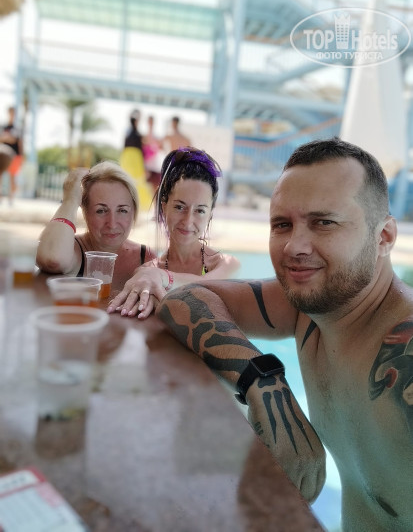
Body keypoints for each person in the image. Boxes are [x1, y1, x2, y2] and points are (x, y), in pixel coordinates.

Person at [155, 137, 413, 532]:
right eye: (282, 225)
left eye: (324, 222)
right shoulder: (310, 308)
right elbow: (185, 300)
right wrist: (264, 384)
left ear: (384, 238)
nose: (294, 246)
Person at [107, 146, 240, 319]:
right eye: (179, 207)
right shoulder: (147, 272)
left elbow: (212, 284)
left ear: (209, 215)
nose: (188, 220)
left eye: (200, 210)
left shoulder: (227, 265)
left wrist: (164, 277)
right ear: (164, 207)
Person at [36, 161, 156, 292]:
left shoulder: (146, 257)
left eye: (122, 210)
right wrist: (70, 201)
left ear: (133, 212)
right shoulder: (71, 249)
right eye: (101, 211)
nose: (112, 224)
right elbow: (53, 259)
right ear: (85, 212)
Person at [0, 106, 24, 205]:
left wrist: (22, 157)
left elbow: (17, 141)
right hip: (2, 155)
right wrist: (8, 138)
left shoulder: (17, 128)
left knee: (12, 177)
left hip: (14, 156)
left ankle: (11, 198)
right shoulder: (3, 127)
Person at [142, 115, 161, 191]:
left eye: (151, 121)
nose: (150, 123)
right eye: (149, 121)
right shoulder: (145, 136)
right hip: (147, 166)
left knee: (154, 188)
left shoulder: (156, 137)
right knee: (146, 188)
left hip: (155, 166)